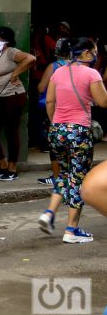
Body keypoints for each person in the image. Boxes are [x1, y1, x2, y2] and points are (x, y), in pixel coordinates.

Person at [38, 38, 107, 243]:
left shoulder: (58, 72)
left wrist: (57, 124)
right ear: (86, 53)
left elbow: (50, 101)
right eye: (94, 51)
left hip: (57, 129)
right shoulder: (91, 73)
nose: (96, 55)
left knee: (65, 173)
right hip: (79, 131)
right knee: (78, 179)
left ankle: (49, 213)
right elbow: (103, 102)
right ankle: (71, 230)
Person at [0, 26, 35, 181]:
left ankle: (12, 167)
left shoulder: (11, 52)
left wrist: (15, 74)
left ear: (6, 41)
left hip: (12, 95)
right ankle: (2, 164)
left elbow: (31, 59)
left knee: (11, 131)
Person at [36, 38, 71, 185]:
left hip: (55, 109)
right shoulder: (79, 67)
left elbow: (41, 88)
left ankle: (56, 177)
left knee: (55, 145)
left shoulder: (54, 67)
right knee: (71, 143)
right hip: (73, 110)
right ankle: (70, 175)